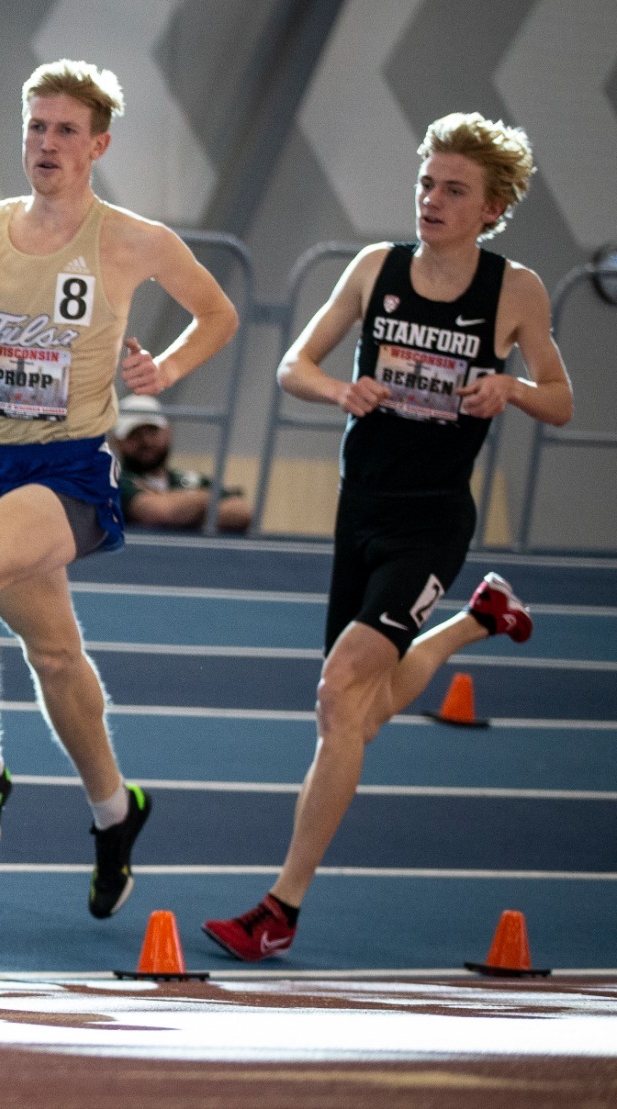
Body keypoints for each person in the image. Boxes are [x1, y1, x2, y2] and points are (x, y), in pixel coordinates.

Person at [203, 113, 571, 962]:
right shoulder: (378, 269)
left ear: (491, 207)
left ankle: (279, 908)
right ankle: (477, 617)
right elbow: (291, 364)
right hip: (358, 509)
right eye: (426, 183)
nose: (431, 200)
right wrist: (342, 390)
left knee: (339, 694)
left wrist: (509, 389)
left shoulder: (515, 291)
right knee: (362, 714)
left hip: (432, 519)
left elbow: (561, 397)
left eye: (453, 189)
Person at [0, 60, 238, 917]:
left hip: (68, 469)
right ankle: (117, 810)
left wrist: (166, 367)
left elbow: (218, 312)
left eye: (65, 131)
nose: (46, 144)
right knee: (54, 654)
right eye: (36, 127)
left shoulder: (131, 240)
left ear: (98, 145)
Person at [112, 394, 250, 532]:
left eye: (152, 431)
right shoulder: (114, 482)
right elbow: (161, 514)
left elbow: (243, 513)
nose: (146, 441)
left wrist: (177, 507)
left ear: (167, 432)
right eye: (134, 435)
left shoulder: (192, 480)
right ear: (117, 442)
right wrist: (209, 502)